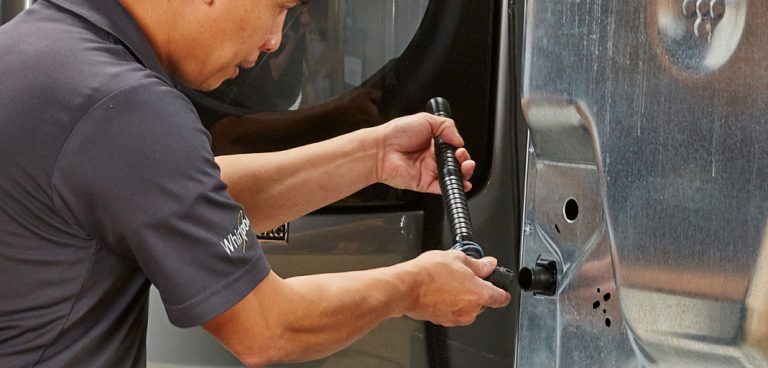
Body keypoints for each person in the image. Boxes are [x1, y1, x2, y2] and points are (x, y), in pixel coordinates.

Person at [0, 0, 511, 367]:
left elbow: (185, 197)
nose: (273, 41)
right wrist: (415, 287)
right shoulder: (126, 106)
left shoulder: (46, 43)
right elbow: (268, 329)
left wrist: (372, 155)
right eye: (280, 9)